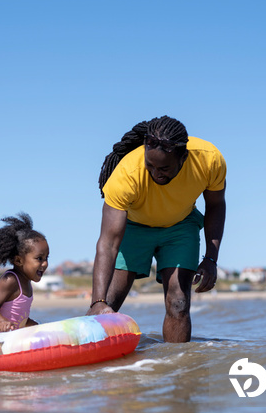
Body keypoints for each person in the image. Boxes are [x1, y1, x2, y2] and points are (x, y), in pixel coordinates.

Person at [87, 116, 226, 343]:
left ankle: (178, 368)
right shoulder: (125, 175)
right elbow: (108, 243)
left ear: (184, 157)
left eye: (164, 168)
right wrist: (97, 301)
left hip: (180, 227)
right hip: (133, 226)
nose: (155, 173)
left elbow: (216, 205)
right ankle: (92, 363)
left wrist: (211, 258)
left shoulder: (209, 160)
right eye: (149, 165)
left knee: (179, 302)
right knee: (107, 303)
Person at [0, 212, 49, 337]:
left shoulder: (27, 283)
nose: (45, 263)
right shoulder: (10, 280)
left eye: (46, 258)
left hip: (8, 339)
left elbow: (19, 317)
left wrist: (34, 325)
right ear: (18, 261)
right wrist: (2, 321)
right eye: (39, 258)